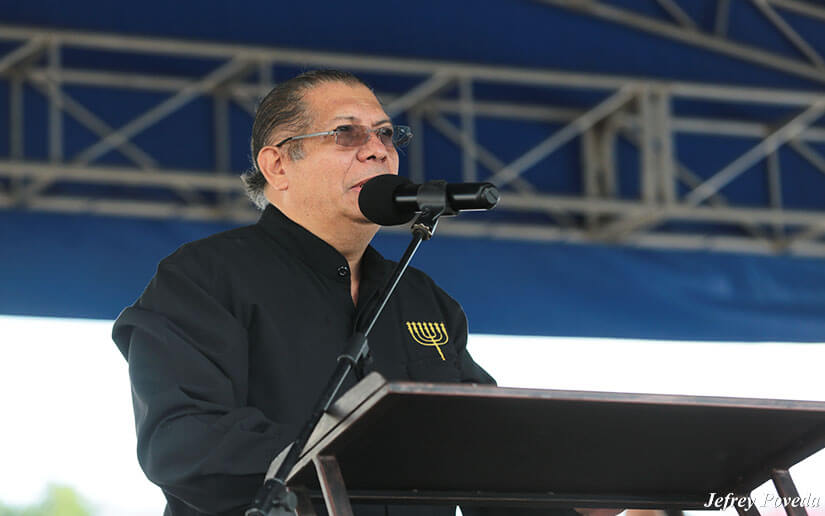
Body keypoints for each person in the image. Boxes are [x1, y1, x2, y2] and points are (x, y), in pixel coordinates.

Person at [112, 70, 498, 516]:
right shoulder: (203, 278)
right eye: (346, 133)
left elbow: (488, 449)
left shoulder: (424, 298)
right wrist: (362, 462)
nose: (378, 149)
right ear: (277, 166)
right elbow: (184, 442)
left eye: (386, 134)